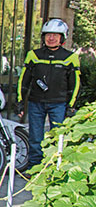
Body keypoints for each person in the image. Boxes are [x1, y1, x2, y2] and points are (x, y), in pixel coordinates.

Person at [17, 18, 80, 171]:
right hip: (36, 102)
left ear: (62, 37)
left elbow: (76, 84)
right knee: (35, 138)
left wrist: (71, 106)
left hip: (59, 103)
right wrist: (20, 101)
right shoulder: (33, 55)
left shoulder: (70, 57)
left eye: (55, 35)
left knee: (58, 137)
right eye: (48, 35)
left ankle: (54, 169)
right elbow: (23, 81)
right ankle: (35, 168)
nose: (51, 38)